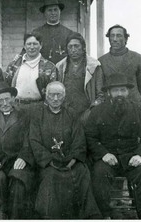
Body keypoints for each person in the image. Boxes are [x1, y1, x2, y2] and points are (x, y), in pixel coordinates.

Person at [85, 73, 141, 219]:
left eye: (123, 90)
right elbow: (90, 136)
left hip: (131, 157)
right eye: (116, 91)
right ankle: (105, 214)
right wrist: (103, 154)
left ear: (128, 92)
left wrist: (140, 155)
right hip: (107, 158)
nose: (119, 94)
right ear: (109, 92)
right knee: (99, 172)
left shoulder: (138, 110)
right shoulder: (97, 111)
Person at [29, 81, 101, 219]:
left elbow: (79, 139)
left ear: (64, 96)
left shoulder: (72, 114)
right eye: (52, 95)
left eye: (59, 95)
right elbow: (35, 141)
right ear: (46, 96)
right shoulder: (38, 116)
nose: (55, 99)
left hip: (70, 160)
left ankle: (86, 216)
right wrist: (49, 160)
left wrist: (74, 158)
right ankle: (50, 216)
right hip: (48, 163)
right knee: (50, 176)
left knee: (81, 172)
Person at [0, 82, 35, 219]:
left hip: (17, 160)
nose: (5, 103)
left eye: (7, 99)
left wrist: (24, 157)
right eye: (0, 100)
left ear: (13, 99)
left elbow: (30, 140)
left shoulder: (25, 116)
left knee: (19, 181)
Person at [56, 32, 104, 125]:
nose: (73, 50)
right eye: (70, 47)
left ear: (83, 48)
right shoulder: (60, 67)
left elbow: (101, 94)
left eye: (76, 46)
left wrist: (91, 111)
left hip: (87, 114)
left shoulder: (94, 66)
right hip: (65, 114)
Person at [5, 32, 57, 113]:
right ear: (24, 46)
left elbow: (53, 91)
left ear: (41, 46)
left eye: (35, 44)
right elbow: (7, 85)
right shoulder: (14, 65)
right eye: (29, 44)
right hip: (17, 108)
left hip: (39, 108)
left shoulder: (50, 67)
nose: (32, 47)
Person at [98, 25, 141, 104]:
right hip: (110, 107)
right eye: (112, 36)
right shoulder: (101, 61)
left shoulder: (138, 58)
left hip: (133, 105)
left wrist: (140, 103)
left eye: (119, 36)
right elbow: (100, 88)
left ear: (125, 39)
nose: (115, 39)